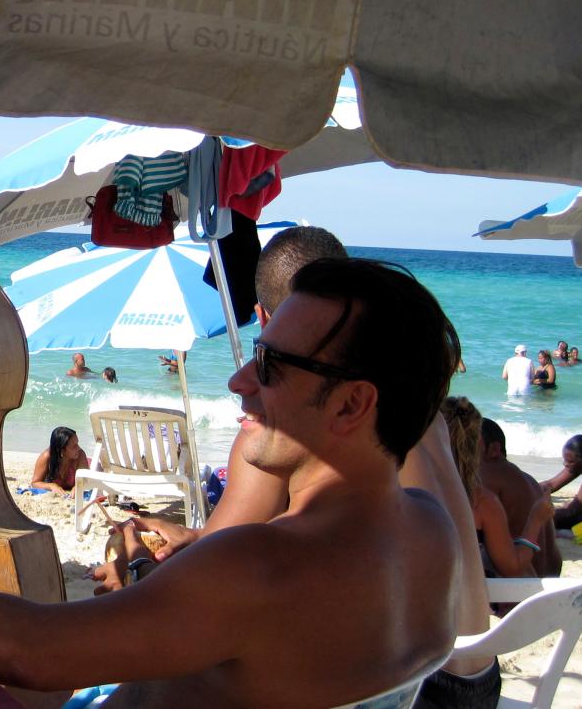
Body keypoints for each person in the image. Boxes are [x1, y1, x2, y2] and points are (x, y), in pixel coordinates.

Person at [0, 258, 462, 707]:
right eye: (254, 353)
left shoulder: (264, 565)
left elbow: (31, 650)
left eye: (273, 367)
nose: (239, 380)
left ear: (351, 405)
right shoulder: (429, 529)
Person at [113, 226, 499, 706]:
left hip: (413, 689)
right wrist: (192, 539)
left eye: (269, 355)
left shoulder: (286, 430)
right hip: (472, 674)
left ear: (265, 318)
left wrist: (136, 566)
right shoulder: (409, 411)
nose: (243, 380)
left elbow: (197, 588)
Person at [442, 397, 547, 578]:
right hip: (472, 598)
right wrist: (536, 519)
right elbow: (513, 566)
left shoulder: (415, 487)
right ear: (475, 446)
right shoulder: (481, 501)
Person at [478, 417, 561, 576]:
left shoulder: (489, 475)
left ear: (494, 449)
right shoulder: (528, 479)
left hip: (523, 583)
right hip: (551, 576)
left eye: (469, 444)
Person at [28, 426, 90, 494]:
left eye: (77, 443)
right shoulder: (47, 457)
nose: (79, 448)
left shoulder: (80, 455)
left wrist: (77, 487)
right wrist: (51, 486)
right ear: (61, 450)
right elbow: (34, 483)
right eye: (74, 446)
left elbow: (86, 481)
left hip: (89, 463)